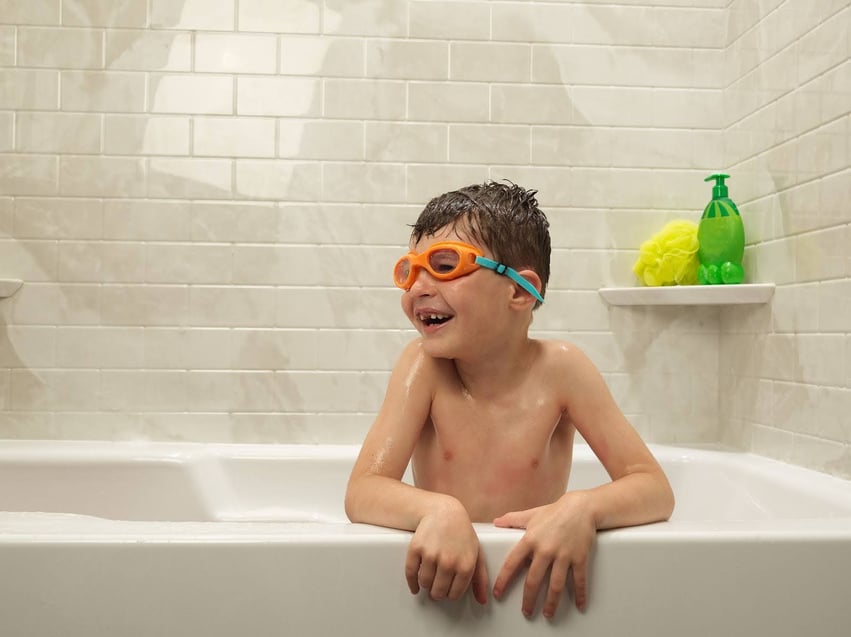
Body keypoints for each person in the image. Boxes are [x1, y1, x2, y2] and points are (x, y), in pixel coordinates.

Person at [345, 181, 674, 619]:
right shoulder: (423, 367)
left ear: (518, 291)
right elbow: (363, 490)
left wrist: (584, 507)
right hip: (446, 597)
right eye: (410, 270)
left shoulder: (563, 371)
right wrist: (437, 510)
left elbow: (654, 489)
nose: (416, 288)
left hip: (529, 598)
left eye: (444, 265)